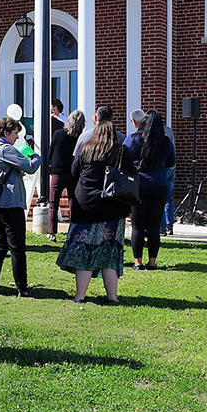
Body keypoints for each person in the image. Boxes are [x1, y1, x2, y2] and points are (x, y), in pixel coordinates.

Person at [57, 120, 136, 303]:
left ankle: (80, 296)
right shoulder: (120, 152)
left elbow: (74, 171)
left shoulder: (85, 149)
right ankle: (112, 297)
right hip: (111, 206)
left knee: (83, 250)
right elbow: (132, 173)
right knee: (110, 253)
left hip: (85, 204)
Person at [0, 117, 41, 297]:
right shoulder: (6, 149)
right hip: (9, 203)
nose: (17, 137)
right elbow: (31, 166)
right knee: (17, 247)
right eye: (15, 133)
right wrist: (34, 153)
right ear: (6, 133)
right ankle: (21, 288)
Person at [123, 109, 175, 270]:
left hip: (139, 186)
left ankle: (137, 262)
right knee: (154, 227)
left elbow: (123, 158)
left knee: (137, 226)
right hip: (159, 185)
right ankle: (152, 262)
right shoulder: (166, 142)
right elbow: (170, 163)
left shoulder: (133, 139)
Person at [47, 109, 84, 241]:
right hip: (73, 173)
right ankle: (73, 231)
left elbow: (50, 152)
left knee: (53, 203)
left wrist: (51, 164)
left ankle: (52, 233)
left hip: (58, 172)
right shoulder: (80, 137)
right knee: (73, 202)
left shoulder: (58, 134)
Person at [160, 121, 177, 236]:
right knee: (169, 199)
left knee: (159, 199)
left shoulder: (154, 132)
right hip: (171, 168)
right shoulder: (169, 131)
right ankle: (169, 225)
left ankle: (162, 228)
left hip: (161, 169)